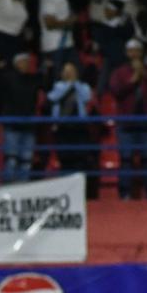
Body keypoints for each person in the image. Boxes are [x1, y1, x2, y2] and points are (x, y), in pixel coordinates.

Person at [109, 39, 147, 199]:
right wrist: (133, 80)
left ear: (142, 53)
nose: (134, 54)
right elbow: (116, 91)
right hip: (126, 123)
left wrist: (145, 75)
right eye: (131, 50)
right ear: (127, 53)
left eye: (137, 50)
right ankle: (125, 193)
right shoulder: (119, 72)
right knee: (126, 159)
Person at [48, 61, 98, 197]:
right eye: (66, 70)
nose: (69, 73)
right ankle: (66, 191)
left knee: (81, 159)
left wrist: (75, 84)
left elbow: (86, 97)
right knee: (65, 159)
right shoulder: (57, 86)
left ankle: (80, 191)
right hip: (63, 128)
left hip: (80, 127)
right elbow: (53, 97)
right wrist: (69, 85)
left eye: (72, 70)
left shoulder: (83, 87)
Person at [0, 52, 42, 182]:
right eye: (23, 61)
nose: (26, 64)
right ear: (16, 63)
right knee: (11, 159)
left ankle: (23, 189)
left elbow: (45, 85)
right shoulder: (7, 78)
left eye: (28, 61)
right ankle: (9, 188)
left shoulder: (33, 79)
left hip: (29, 125)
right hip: (12, 124)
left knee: (26, 160)